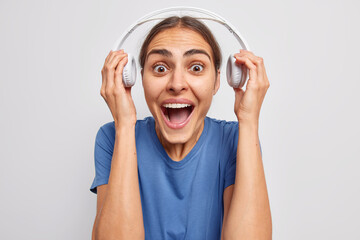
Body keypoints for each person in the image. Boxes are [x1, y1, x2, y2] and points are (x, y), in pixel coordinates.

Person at [90, 16, 272, 240]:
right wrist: (124, 125)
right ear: (134, 78)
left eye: (196, 67)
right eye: (160, 68)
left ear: (218, 81)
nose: (177, 84)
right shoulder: (112, 138)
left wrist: (249, 120)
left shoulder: (235, 139)